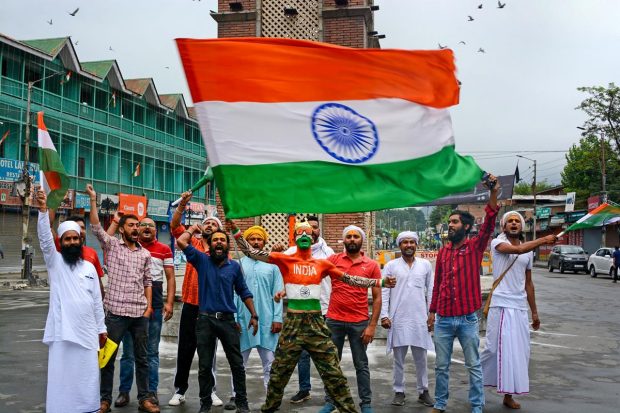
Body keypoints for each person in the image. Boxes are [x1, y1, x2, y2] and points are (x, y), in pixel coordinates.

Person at [227, 219, 396, 413]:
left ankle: (348, 408)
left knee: (332, 370)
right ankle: (269, 407)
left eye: (308, 232)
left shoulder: (322, 264)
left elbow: (351, 279)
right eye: (301, 233)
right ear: (295, 238)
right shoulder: (284, 259)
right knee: (279, 371)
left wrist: (380, 282)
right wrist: (236, 231)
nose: (305, 235)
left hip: (316, 323)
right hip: (293, 323)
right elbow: (252, 252)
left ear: (314, 236)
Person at [427, 174, 499, 413]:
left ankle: (477, 406)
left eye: (455, 222)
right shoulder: (443, 253)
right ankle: (440, 404)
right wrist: (432, 313)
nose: (451, 225)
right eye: (450, 221)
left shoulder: (475, 247)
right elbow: (437, 285)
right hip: (444, 320)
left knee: (473, 365)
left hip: (468, 318)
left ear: (466, 227)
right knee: (440, 366)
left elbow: (489, 222)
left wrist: (493, 192)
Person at [85, 184, 159, 413]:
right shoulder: (112, 246)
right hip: (115, 313)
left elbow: (148, 281)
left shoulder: (145, 254)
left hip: (139, 315)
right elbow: (96, 227)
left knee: (142, 358)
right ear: (122, 229)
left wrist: (147, 308)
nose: (136, 228)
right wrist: (94, 200)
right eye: (131, 225)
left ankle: (145, 398)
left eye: (137, 225)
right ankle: (104, 399)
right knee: (107, 358)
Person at [35, 190, 107, 413]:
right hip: (62, 333)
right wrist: (43, 211)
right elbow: (45, 240)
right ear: (62, 242)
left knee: (87, 377)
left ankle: (88, 407)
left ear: (81, 240)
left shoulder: (89, 268)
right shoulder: (55, 263)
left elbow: (96, 301)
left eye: (75, 238)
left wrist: (101, 328)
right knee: (62, 377)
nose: (72, 242)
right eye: (68, 239)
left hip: (87, 333)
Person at [176, 225, 259, 413]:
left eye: (222, 239)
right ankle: (205, 404)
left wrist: (254, 315)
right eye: (215, 240)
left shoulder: (234, 267)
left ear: (227, 245)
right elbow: (181, 241)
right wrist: (193, 229)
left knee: (237, 364)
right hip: (205, 321)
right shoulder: (201, 260)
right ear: (210, 244)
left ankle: (242, 402)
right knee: (205, 366)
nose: (219, 242)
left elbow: (244, 292)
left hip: (228, 321)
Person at [481, 211, 557, 409]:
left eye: (517, 221)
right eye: (510, 221)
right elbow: (519, 250)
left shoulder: (529, 253)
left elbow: (529, 284)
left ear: (521, 227)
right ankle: (477, 389)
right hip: (500, 304)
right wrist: (544, 239)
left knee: (517, 352)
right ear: (504, 227)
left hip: (519, 306)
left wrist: (534, 312)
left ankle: (508, 395)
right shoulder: (497, 243)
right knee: (492, 349)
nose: (514, 224)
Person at [168, 191, 224, 407]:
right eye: (206, 223)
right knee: (185, 350)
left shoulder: (222, 249)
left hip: (211, 308)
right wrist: (183, 205)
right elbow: (174, 227)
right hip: (191, 305)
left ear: (218, 230)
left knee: (208, 353)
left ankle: (210, 391)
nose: (209, 226)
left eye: (213, 224)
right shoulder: (192, 243)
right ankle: (180, 390)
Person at [319, 225, 382, 413]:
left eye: (356, 236)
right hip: (334, 321)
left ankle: (366, 403)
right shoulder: (333, 260)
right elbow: (312, 276)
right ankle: (331, 401)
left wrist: (372, 326)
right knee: (331, 365)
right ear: (344, 240)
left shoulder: (371, 265)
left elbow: (377, 297)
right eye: (349, 236)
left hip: (359, 322)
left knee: (361, 365)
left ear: (361, 240)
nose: (352, 239)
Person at [114, 217, 176, 407]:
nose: (147, 228)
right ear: (136, 229)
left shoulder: (165, 249)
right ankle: (124, 392)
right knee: (128, 353)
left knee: (151, 353)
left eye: (152, 225)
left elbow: (171, 277)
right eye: (143, 225)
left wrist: (170, 303)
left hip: (155, 307)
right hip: (130, 307)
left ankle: (151, 393)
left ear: (156, 230)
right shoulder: (127, 248)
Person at [227, 225, 284, 408]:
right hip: (243, 320)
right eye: (252, 239)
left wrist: (277, 318)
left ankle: (271, 396)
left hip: (267, 320)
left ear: (264, 241)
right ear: (247, 243)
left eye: (260, 239)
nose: (257, 242)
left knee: (269, 362)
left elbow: (278, 293)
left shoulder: (273, 265)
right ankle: (236, 395)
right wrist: (234, 319)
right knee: (238, 362)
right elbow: (234, 294)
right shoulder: (239, 265)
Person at [280, 215, 334, 405]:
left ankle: (331, 396)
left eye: (313, 228)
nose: (309, 232)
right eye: (305, 229)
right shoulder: (290, 252)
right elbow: (281, 272)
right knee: (302, 354)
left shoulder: (328, 253)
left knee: (326, 356)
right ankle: (304, 389)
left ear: (317, 231)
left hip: (324, 310)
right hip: (299, 312)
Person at [381, 231, 435, 408]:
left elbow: (431, 291)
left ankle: (423, 391)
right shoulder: (391, 266)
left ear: (417, 244)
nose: (409, 245)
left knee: (422, 358)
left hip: (420, 318)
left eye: (412, 242)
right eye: (405, 242)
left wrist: (431, 314)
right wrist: (385, 315)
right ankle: (399, 391)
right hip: (398, 318)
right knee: (399, 359)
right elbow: (385, 293)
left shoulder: (425, 265)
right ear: (399, 245)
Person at [49, 211, 105, 297]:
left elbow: (98, 282)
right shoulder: (61, 249)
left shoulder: (92, 253)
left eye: (83, 228)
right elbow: (48, 226)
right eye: (77, 228)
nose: (80, 231)